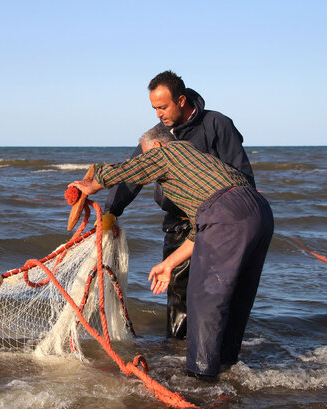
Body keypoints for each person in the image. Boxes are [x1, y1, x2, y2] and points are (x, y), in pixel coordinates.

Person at [70, 126, 273, 378]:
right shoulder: (199, 164)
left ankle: (201, 376)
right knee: (237, 296)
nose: (148, 161)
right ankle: (227, 365)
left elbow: (128, 170)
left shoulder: (168, 152)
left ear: (156, 147)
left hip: (227, 214)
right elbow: (203, 229)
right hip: (259, 210)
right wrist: (169, 263)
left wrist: (92, 183)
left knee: (204, 298)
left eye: (147, 154)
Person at [104, 70, 256, 339]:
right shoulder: (157, 135)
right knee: (178, 299)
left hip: (216, 225)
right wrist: (110, 213)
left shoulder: (216, 124)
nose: (158, 114)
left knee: (214, 294)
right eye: (154, 108)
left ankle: (217, 356)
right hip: (177, 226)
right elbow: (131, 175)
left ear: (182, 100)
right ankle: (176, 355)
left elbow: (241, 177)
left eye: (162, 107)